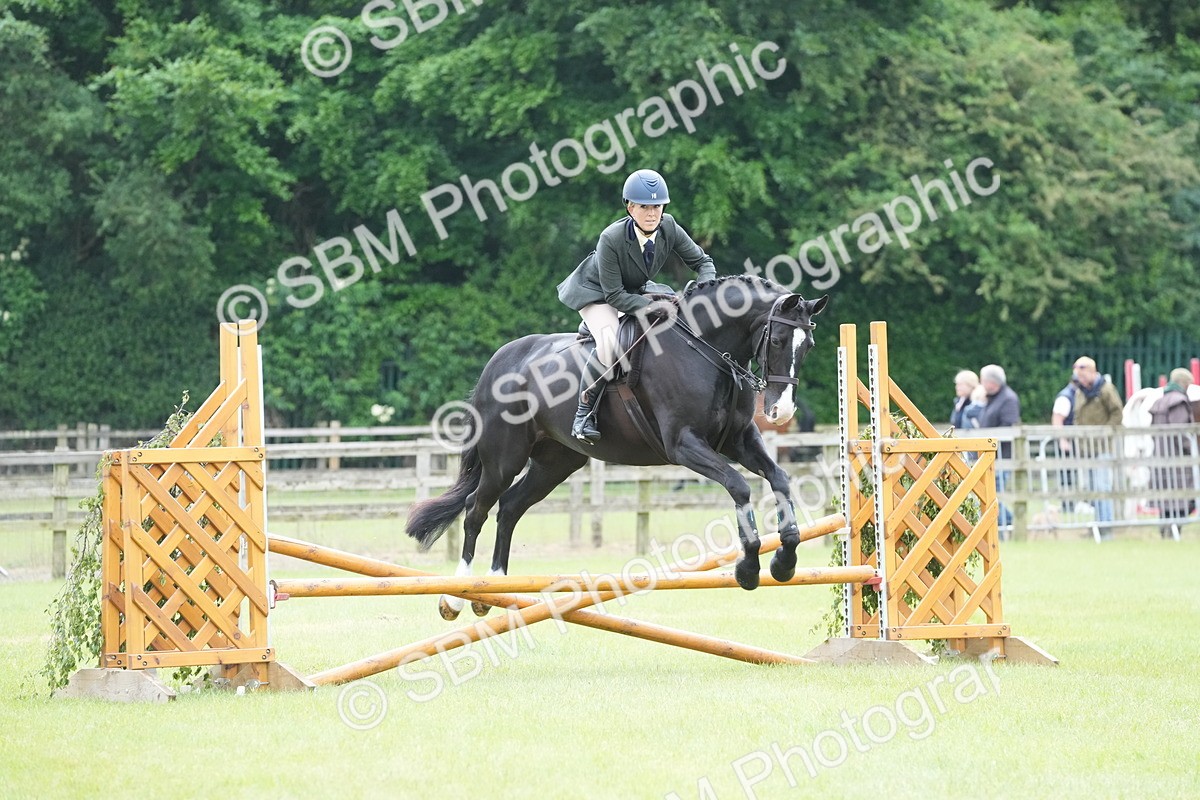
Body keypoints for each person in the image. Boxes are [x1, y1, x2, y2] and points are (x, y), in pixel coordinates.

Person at [556, 169, 718, 443]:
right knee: (609, 342)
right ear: (630, 207)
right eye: (644, 207)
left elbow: (704, 263)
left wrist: (704, 290)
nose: (652, 213)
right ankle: (584, 414)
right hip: (598, 293)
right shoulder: (611, 237)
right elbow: (615, 296)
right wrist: (650, 307)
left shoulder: (669, 227)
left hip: (633, 288)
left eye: (657, 206)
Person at [1051, 356, 1124, 527]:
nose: (1080, 380)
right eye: (1078, 377)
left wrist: (1104, 433)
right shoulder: (1080, 392)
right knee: (1092, 488)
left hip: (1102, 446)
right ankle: (1098, 524)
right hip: (1085, 448)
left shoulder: (1106, 390)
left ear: (1092, 372)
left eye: (1083, 376)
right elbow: (1077, 416)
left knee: (1102, 486)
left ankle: (1105, 525)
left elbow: (1117, 413)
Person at [1148, 368, 1198, 538]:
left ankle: (1166, 531)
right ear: (1184, 383)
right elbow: (1181, 432)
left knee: (1165, 497)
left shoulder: (1160, 401)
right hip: (1177, 458)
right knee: (1182, 496)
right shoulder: (1179, 401)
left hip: (1160, 456)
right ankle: (1174, 531)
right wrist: (1191, 450)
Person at [978, 364, 1020, 530]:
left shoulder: (1008, 399)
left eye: (983, 380)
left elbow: (1008, 426)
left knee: (993, 494)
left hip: (1001, 456)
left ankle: (1005, 524)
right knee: (988, 494)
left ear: (991, 382)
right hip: (989, 455)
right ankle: (1007, 522)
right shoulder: (991, 398)